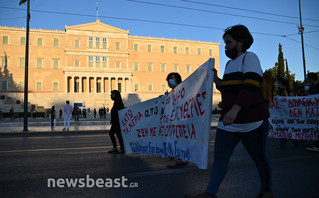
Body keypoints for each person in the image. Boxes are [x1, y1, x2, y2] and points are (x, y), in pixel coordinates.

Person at [185, 25, 274, 198]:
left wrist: (235, 110)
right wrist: (216, 79)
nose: (225, 46)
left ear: (240, 43)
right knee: (220, 159)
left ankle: (267, 192)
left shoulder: (250, 58)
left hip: (252, 122)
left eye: (229, 42)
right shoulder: (229, 63)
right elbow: (229, 88)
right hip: (228, 123)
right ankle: (209, 194)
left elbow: (250, 86)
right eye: (225, 43)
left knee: (260, 158)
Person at [165, 72, 187, 168]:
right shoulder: (171, 93)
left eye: (173, 78)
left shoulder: (182, 91)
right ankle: (179, 158)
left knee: (178, 141)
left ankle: (180, 159)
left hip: (179, 121)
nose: (170, 80)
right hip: (172, 122)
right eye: (169, 78)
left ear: (177, 79)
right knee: (173, 141)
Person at [275, 76, 294, 150]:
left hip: (287, 112)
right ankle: (293, 141)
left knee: (285, 127)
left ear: (280, 82)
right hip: (282, 112)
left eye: (277, 81)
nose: (276, 83)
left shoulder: (287, 90)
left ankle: (285, 143)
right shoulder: (280, 90)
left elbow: (292, 100)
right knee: (284, 127)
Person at [305, 72, 319, 152]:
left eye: (308, 78)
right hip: (313, 112)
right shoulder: (310, 88)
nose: (307, 80)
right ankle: (316, 144)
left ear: (311, 78)